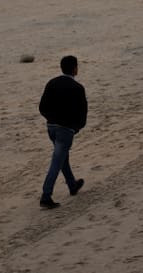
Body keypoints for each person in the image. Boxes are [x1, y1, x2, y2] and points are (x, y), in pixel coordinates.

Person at [38, 54, 88, 209]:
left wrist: (51, 120)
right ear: (74, 69)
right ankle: (46, 196)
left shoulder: (52, 83)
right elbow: (82, 112)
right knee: (57, 161)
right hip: (65, 130)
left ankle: (72, 185)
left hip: (51, 128)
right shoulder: (77, 88)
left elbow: (42, 107)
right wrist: (76, 127)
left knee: (62, 157)